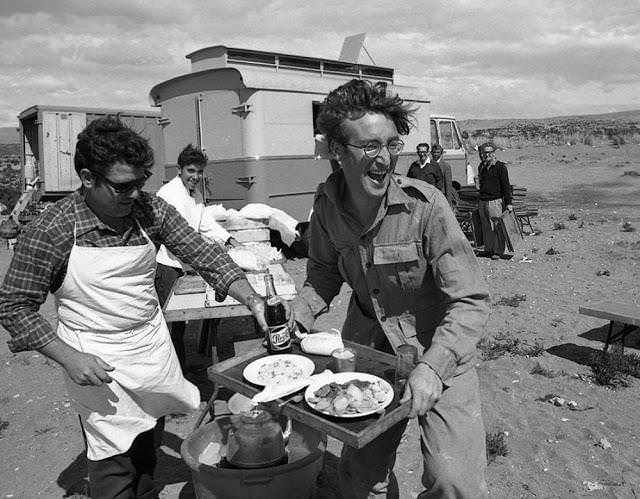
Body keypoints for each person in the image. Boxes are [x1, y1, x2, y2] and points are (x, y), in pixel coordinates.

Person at [0, 116, 267, 499]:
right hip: (95, 358)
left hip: (149, 346)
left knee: (147, 445)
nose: (135, 194)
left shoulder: (149, 210)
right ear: (89, 178)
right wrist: (68, 357)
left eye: (141, 183)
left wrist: (252, 299)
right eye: (123, 187)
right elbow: (14, 305)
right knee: (113, 460)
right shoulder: (53, 229)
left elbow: (201, 252)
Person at [290, 79, 490, 498]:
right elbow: (324, 273)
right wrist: (301, 312)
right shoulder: (326, 207)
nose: (383, 158)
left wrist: (434, 367)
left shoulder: (426, 206)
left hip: (441, 349)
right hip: (371, 353)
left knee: (454, 483)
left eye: (391, 144)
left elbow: (470, 299)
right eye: (368, 146)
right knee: (360, 480)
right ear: (336, 151)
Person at [154, 143, 240, 369]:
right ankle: (175, 371)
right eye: (190, 171)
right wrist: (207, 256)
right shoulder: (169, 195)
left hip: (187, 262)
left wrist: (230, 240)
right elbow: (177, 237)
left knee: (183, 320)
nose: (195, 176)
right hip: (169, 265)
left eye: (199, 171)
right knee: (172, 322)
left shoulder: (196, 193)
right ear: (179, 170)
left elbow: (205, 223)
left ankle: (182, 366)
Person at [476, 142, 512, 260]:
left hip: (495, 202)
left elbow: (506, 186)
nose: (486, 155)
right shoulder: (482, 167)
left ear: (493, 153)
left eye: (489, 152)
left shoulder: (500, 167)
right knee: (486, 227)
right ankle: (489, 249)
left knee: (497, 227)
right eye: (484, 152)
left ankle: (498, 251)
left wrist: (509, 203)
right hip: (483, 201)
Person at [430, 144, 458, 210]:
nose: (435, 154)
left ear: (441, 153)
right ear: (431, 153)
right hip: (430, 196)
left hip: (441, 196)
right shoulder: (428, 164)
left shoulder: (446, 166)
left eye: (438, 152)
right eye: (434, 152)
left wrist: (449, 202)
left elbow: (448, 185)